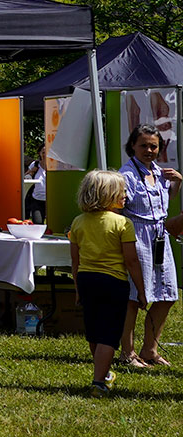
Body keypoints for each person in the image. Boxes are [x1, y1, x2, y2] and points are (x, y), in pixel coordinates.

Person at [68, 169, 145, 396]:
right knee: (109, 335)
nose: (126, 196)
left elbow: (75, 261)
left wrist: (77, 289)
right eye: (122, 192)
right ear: (107, 195)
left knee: (94, 331)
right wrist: (141, 290)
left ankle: (103, 373)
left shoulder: (78, 222)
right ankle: (98, 382)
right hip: (113, 282)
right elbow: (131, 261)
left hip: (87, 280)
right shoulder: (123, 223)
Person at [118, 124, 180, 368]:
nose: (149, 150)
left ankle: (150, 349)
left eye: (154, 146)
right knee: (134, 297)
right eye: (143, 145)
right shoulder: (127, 175)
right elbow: (118, 207)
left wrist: (178, 183)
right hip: (136, 236)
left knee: (168, 293)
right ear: (133, 146)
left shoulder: (160, 172)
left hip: (159, 237)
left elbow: (163, 202)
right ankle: (127, 353)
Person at [23, 152, 47, 223]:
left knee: (53, 226)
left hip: (52, 200)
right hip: (37, 199)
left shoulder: (55, 165)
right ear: (39, 153)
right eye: (43, 152)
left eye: (47, 152)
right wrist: (31, 172)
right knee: (37, 223)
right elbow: (26, 177)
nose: (45, 154)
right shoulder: (35, 164)